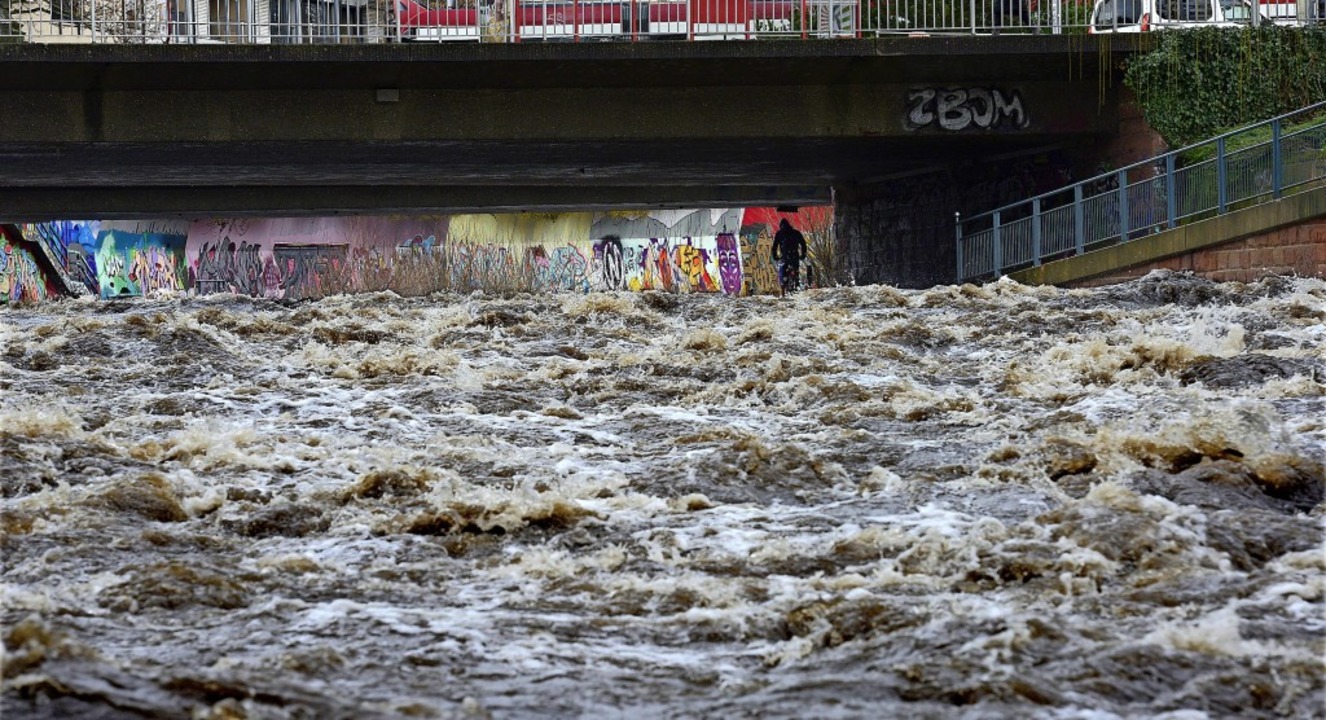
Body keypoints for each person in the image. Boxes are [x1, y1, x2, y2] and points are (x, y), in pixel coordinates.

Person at [771, 218, 807, 296]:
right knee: (795, 270)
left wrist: (775, 256)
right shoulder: (796, 232)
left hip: (785, 257)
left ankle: (784, 287)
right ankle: (796, 283)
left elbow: (774, 246)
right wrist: (803, 254)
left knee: (784, 273)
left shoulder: (779, 233)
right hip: (795, 256)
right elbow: (803, 243)